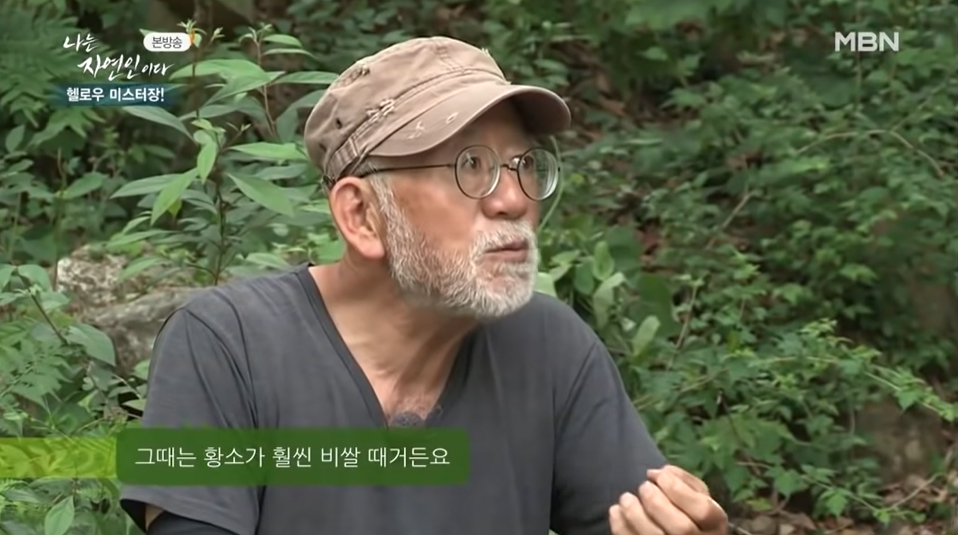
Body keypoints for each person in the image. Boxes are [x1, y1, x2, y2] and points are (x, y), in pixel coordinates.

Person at [120, 36, 729, 535]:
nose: (514, 199)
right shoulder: (227, 345)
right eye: (471, 166)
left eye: (523, 164)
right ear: (362, 215)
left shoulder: (550, 348)